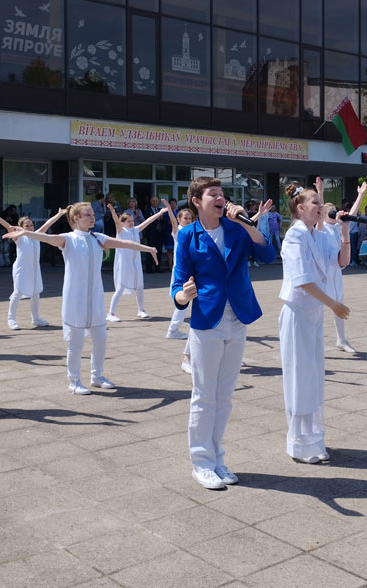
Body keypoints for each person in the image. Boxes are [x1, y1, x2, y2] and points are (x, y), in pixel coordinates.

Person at [172, 177, 275, 489]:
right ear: (196, 201)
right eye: (213, 194)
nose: (221, 198)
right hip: (208, 320)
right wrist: (183, 296)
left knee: (225, 396)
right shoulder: (188, 235)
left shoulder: (236, 228)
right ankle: (201, 463)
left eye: (222, 194)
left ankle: (217, 458)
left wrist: (245, 222)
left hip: (238, 317)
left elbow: (268, 255)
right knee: (204, 395)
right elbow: (178, 283)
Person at [2, 202, 158, 394]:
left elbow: (125, 244)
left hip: (95, 298)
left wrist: (148, 248)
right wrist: (25, 233)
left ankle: (97, 376)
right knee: (76, 343)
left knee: (101, 339)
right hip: (75, 299)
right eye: (88, 215)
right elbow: (47, 237)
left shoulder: (98, 238)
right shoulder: (68, 239)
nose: (92, 218)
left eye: (92, 214)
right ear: (76, 218)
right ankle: (74, 381)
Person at [279, 186, 350, 464]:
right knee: (299, 377)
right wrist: (334, 304)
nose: (321, 206)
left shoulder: (318, 235)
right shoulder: (294, 235)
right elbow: (303, 280)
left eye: (321, 202)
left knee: (313, 376)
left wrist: (344, 232)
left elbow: (341, 262)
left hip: (314, 313)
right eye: (316, 202)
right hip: (297, 312)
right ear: (301, 208)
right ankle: (298, 443)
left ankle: (312, 438)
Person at [0, 208, 66, 329]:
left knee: (36, 293)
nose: (30, 227)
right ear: (21, 227)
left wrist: (59, 214)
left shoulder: (37, 235)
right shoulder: (19, 237)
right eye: (27, 226)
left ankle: (35, 318)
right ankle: (11, 319)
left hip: (34, 270)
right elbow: (8, 226)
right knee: (17, 293)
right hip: (21, 269)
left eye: (31, 225)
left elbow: (48, 223)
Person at [319, 179, 367, 353]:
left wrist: (360, 195)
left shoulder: (340, 226)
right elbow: (319, 211)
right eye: (329, 211)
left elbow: (351, 214)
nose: (333, 212)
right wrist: (320, 193)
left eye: (334, 209)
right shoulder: (320, 228)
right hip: (321, 272)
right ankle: (314, 340)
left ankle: (341, 339)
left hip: (336, 271)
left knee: (338, 303)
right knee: (317, 306)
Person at [106, 204, 170, 322]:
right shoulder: (121, 231)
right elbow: (116, 221)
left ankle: (141, 310)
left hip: (135, 262)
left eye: (132, 221)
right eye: (129, 221)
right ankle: (111, 313)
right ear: (123, 223)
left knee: (140, 286)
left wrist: (160, 213)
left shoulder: (135, 230)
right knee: (120, 287)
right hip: (124, 263)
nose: (132, 223)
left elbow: (148, 221)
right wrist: (112, 211)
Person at [166, 203, 194, 342]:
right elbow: (173, 223)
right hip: (181, 271)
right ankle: (173, 329)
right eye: (185, 218)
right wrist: (169, 209)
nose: (188, 221)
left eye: (190, 218)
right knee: (184, 300)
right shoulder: (179, 231)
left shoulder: (193, 231)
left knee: (190, 299)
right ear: (179, 219)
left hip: (191, 270)